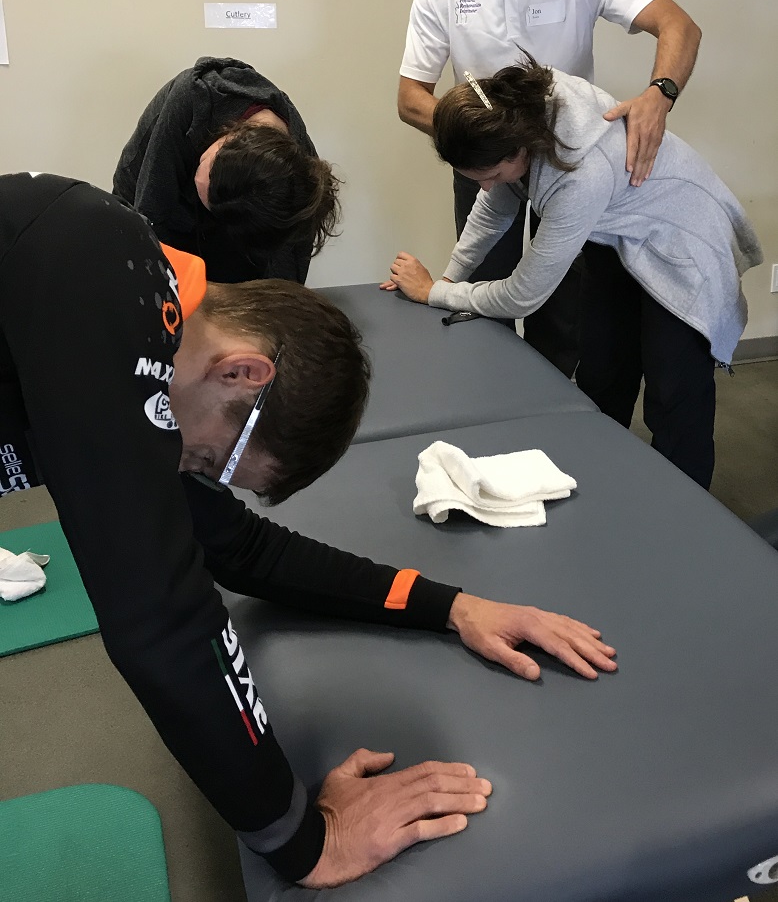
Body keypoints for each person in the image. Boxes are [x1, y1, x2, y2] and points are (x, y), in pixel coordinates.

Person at [0, 171, 617, 887]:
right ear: (242, 373)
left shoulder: (136, 312)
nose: (188, 468)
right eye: (210, 461)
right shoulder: (100, 277)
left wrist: (451, 606)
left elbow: (238, 545)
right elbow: (160, 619)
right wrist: (305, 841)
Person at [398, 0, 702, 377]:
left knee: (561, 313)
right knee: (477, 304)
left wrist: (660, 94)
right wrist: (483, 134)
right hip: (488, 164)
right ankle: (487, 400)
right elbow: (410, 98)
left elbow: (678, 25)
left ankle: (552, 410)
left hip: (566, 166)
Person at [383, 61, 762, 490]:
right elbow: (493, 211)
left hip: (684, 246)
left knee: (673, 395)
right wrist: (449, 279)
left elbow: (522, 296)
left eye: (490, 176)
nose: (486, 187)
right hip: (618, 238)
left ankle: (685, 509)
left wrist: (434, 293)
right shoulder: (514, 121)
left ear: (518, 152)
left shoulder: (581, 173)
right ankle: (603, 484)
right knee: (602, 374)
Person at [113, 56, 340, 284]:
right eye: (206, 161)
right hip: (150, 191)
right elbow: (150, 215)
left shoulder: (298, 180)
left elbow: (286, 263)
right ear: (234, 132)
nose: (199, 178)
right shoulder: (192, 98)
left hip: (231, 215)